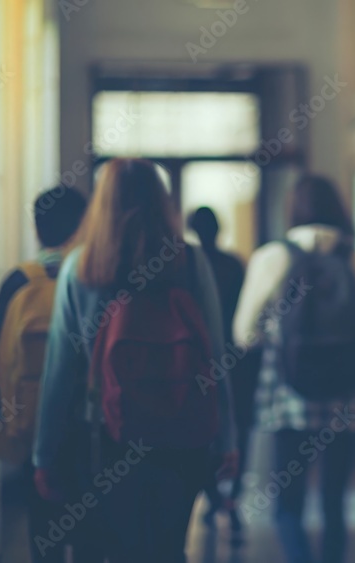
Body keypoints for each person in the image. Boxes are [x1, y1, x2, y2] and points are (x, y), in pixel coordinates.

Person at [32, 159, 239, 562]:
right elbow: (216, 355)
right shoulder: (190, 262)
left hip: (105, 436)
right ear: (162, 202)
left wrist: (45, 454)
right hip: (182, 430)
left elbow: (59, 370)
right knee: (167, 549)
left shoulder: (81, 268)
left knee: (116, 548)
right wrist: (227, 439)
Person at [232, 175, 355, 563]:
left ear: (292, 208)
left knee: (288, 506)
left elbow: (244, 334)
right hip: (348, 395)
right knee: (334, 504)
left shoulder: (272, 257)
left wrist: (279, 332)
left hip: (288, 394)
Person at [0, 186, 88, 563]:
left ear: (37, 228)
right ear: (84, 225)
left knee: (45, 533)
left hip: (31, 428)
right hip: (91, 428)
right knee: (93, 533)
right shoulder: (94, 278)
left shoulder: (19, 281)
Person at [187, 207, 257, 536]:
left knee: (203, 431)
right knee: (238, 430)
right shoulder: (234, 264)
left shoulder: (188, 266)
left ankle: (214, 496)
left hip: (198, 362)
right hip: (236, 360)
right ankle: (231, 498)